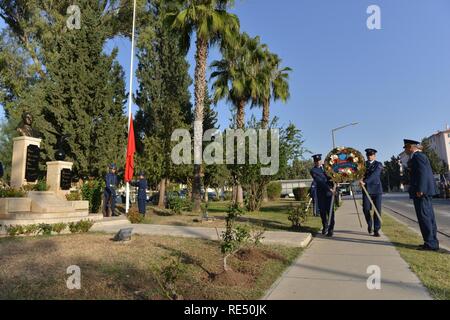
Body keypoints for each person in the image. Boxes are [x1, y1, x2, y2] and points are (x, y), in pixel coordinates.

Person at [404, 139, 439, 251]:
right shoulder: (417, 157)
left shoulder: (418, 156)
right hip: (423, 191)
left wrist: (421, 189)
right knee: (428, 217)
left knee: (424, 217)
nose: (405, 150)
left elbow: (422, 173)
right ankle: (431, 242)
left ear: (411, 147)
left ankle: (430, 244)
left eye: (406, 147)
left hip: (421, 192)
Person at [310, 154, 335, 237]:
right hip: (321, 193)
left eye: (319, 160)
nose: (317, 162)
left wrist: (336, 182)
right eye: (316, 161)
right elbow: (319, 181)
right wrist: (329, 188)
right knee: (323, 212)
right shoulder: (313, 170)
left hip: (330, 194)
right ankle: (325, 226)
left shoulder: (328, 167)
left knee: (330, 211)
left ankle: (331, 229)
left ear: (321, 160)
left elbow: (334, 175)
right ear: (314, 162)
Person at [360, 148, 383, 237]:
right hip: (366, 190)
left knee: (377, 210)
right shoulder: (363, 165)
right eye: (368, 155)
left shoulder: (379, 164)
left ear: (374, 156)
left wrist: (365, 181)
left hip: (377, 191)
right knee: (366, 209)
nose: (369, 156)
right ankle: (370, 224)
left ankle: (376, 229)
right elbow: (359, 173)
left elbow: (375, 175)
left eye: (371, 155)